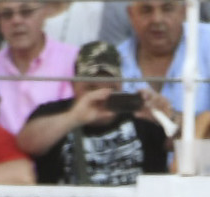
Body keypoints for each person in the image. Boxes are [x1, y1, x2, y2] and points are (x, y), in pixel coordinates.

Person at [20, 40, 168, 186]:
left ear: (121, 83)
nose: (101, 95)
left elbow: (178, 143)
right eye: (91, 88)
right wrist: (74, 117)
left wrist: (167, 117)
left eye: (110, 87)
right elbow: (27, 143)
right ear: (73, 85)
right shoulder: (55, 113)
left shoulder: (139, 113)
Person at [115, 0, 210, 126]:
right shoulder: (117, 59)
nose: (157, 19)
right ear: (131, 15)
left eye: (167, 9)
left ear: (184, 11)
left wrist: (174, 118)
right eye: (146, 10)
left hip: (209, 141)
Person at [0, 0, 76, 134]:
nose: (16, 21)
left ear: (44, 12)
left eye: (26, 12)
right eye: (7, 14)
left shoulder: (73, 61)